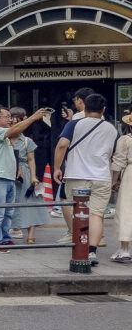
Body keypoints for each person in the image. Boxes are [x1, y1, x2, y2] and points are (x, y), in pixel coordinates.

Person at [53, 94, 117, 265]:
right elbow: (112, 154)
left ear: (84, 107)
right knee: (96, 215)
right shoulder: (111, 129)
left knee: (78, 213)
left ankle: (80, 248)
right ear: (103, 109)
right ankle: (91, 252)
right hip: (102, 176)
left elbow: (62, 145)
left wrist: (57, 168)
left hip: (77, 175)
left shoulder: (74, 124)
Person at [0, 106, 46, 253]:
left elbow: (14, 139)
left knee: (8, 212)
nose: (10, 119)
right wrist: (32, 117)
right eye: (7, 116)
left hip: (8, 177)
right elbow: (14, 131)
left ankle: (5, 238)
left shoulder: (6, 136)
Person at [8, 108, 50, 243]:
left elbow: (31, 160)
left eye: (19, 122)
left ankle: (31, 235)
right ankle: (13, 229)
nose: (15, 125)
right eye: (12, 123)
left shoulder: (27, 141)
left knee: (30, 202)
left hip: (24, 174)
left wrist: (33, 176)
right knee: (11, 203)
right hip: (8, 173)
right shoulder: (4, 139)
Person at [109, 111, 132, 262]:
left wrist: (114, 181)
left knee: (126, 209)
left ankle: (125, 249)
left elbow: (118, 162)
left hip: (130, 174)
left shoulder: (125, 140)